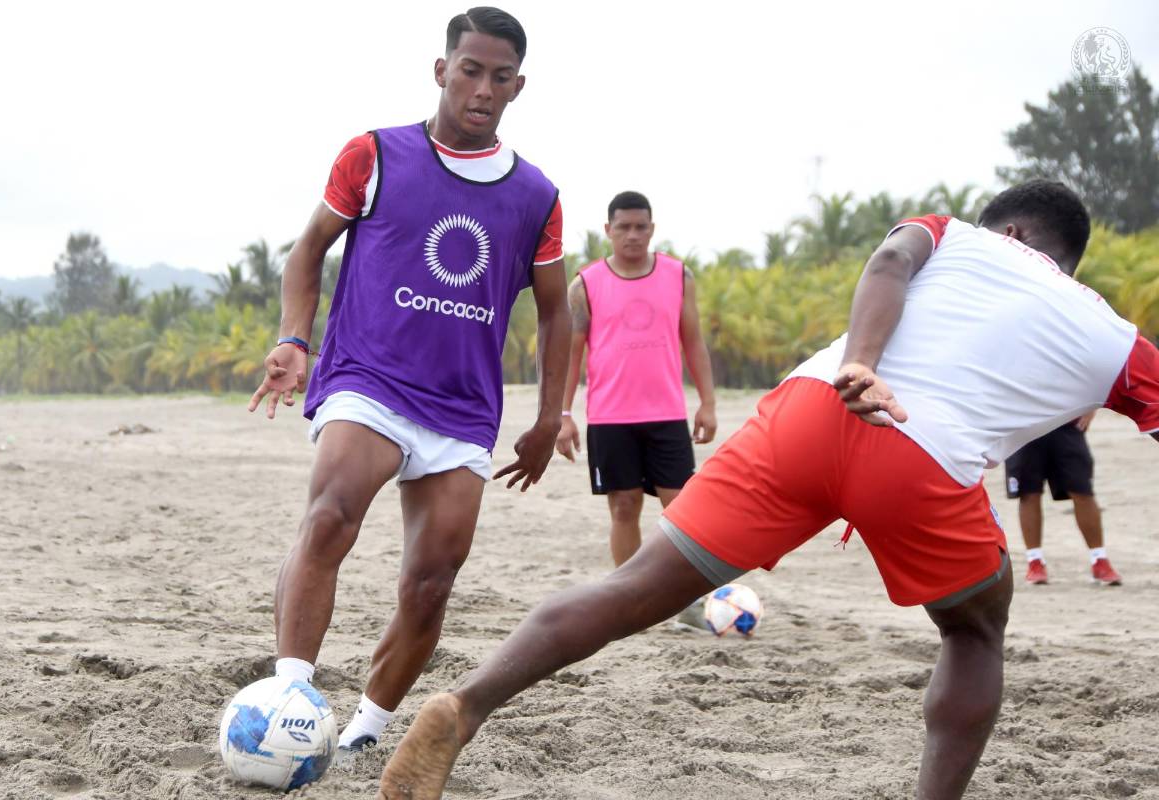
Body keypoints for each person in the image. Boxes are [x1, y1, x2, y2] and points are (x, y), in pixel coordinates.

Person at [375, 180, 1159, 800]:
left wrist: (861, 363)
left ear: (1011, 232)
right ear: (1057, 254)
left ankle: (466, 705)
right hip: (920, 458)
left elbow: (887, 265)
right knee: (973, 631)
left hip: (808, 409)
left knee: (632, 587)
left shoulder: (952, 233)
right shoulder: (1117, 339)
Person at [246, 6, 571, 751]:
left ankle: (363, 732)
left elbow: (558, 316)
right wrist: (295, 338)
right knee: (330, 516)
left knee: (429, 587)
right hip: (369, 378)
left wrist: (550, 415)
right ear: (441, 70)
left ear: (518, 87)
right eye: (469, 70)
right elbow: (307, 253)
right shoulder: (375, 154)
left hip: (461, 409)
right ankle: (289, 698)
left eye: (498, 77)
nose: (481, 88)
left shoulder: (536, 196)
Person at [556, 191, 717, 567]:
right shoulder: (585, 285)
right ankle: (627, 596)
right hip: (610, 419)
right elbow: (570, 355)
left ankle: (685, 597)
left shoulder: (679, 276)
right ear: (608, 230)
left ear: (652, 229)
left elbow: (693, 342)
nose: (633, 235)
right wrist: (563, 415)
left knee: (682, 512)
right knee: (624, 508)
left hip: (667, 415)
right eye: (624, 227)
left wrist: (707, 404)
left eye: (640, 227)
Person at [1005, 413, 1122, 585]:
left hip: (1065, 422)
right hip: (1024, 424)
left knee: (1082, 490)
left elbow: (1093, 384)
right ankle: (1034, 561)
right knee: (1028, 492)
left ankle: (1099, 559)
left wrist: (1092, 408)